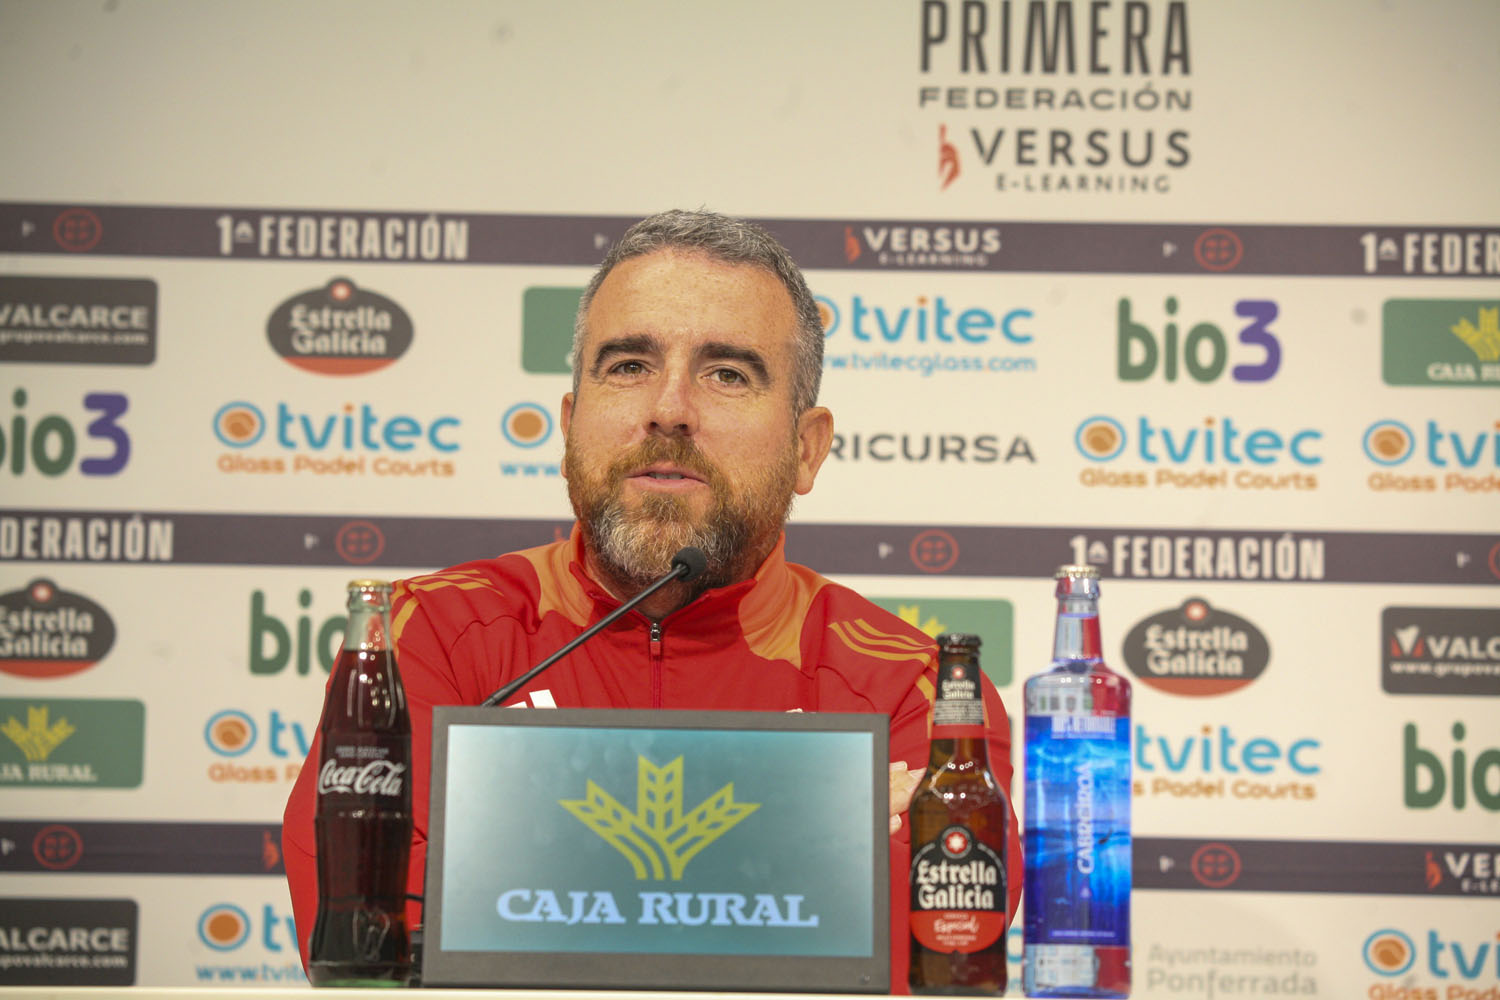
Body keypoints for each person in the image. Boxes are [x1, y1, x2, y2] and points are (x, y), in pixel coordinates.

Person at [282, 209, 1022, 990]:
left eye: (727, 373)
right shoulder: (429, 635)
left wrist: (514, 878)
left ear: (807, 448)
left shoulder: (917, 689)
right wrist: (806, 849)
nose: (668, 408)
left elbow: (930, 962)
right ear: (570, 425)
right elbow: (370, 942)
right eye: (629, 365)